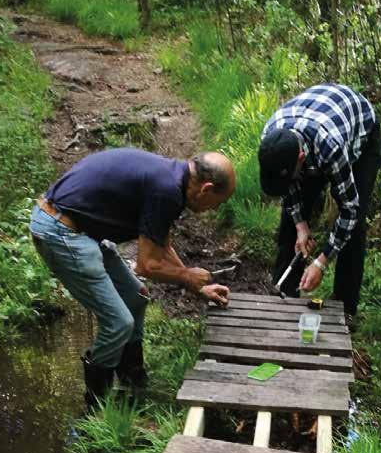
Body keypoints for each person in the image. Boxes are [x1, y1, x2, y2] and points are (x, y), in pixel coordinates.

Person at [30, 148, 235, 406]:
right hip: (60, 230)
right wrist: (185, 277)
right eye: (217, 203)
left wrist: (198, 287)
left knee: (136, 298)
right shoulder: (167, 188)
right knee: (118, 322)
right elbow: (147, 265)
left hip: (81, 229)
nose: (213, 209)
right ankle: (98, 406)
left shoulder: (172, 180)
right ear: (206, 189)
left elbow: (161, 245)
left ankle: (132, 382)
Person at [258, 83, 381, 319]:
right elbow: (289, 188)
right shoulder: (271, 136)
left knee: (353, 228)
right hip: (313, 129)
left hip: (360, 136)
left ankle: (345, 311)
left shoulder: (330, 147)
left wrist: (322, 261)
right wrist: (300, 225)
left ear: (301, 158)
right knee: (290, 224)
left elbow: (349, 210)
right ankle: (283, 299)